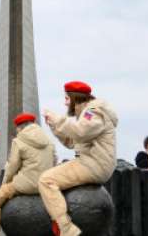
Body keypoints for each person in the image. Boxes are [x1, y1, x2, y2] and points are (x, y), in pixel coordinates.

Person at [41, 81, 119, 236]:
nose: (65, 103)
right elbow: (72, 142)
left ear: (75, 98)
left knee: (46, 180)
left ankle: (66, 228)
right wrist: (54, 126)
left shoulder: (93, 112)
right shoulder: (87, 114)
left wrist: (58, 119)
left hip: (93, 165)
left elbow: (80, 132)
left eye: (67, 98)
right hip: (93, 163)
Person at [0, 113, 56, 236]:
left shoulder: (18, 141)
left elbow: (12, 166)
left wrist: (5, 183)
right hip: (45, 184)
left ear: (20, 127)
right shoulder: (48, 141)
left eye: (17, 128)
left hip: (25, 185)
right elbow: (54, 160)